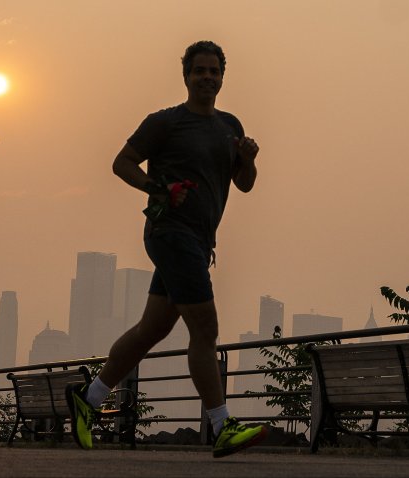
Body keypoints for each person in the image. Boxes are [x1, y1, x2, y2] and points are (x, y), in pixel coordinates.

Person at [65, 40, 267, 458]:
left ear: (223, 77)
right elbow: (121, 163)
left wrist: (247, 158)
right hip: (169, 232)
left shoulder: (230, 125)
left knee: (152, 330)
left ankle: (88, 398)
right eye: (200, 71)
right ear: (186, 76)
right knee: (205, 330)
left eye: (214, 71)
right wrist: (157, 187)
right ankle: (222, 426)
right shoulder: (166, 123)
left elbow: (244, 184)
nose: (207, 78)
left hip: (197, 240)